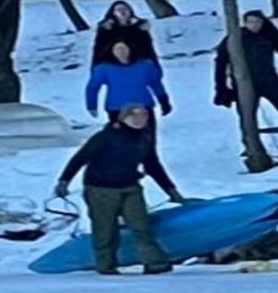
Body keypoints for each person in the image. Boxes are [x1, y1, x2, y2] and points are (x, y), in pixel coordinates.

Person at [54, 105, 186, 275]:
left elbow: (153, 166)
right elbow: (80, 158)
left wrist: (171, 190)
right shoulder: (105, 137)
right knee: (105, 230)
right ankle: (106, 265)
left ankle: (155, 262)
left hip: (130, 188)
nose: (140, 119)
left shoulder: (144, 138)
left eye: (144, 115)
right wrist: (64, 181)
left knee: (141, 226)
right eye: (135, 115)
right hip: (101, 189)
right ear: (123, 118)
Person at [214, 10, 278, 148]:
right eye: (250, 22)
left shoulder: (268, 35)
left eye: (258, 22)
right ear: (245, 23)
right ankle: (251, 146)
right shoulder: (235, 37)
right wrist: (221, 87)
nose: (254, 25)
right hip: (244, 83)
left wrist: (274, 31)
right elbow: (221, 61)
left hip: (269, 80)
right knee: (247, 117)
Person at [86, 40, 172, 137]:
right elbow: (93, 87)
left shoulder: (145, 65)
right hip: (117, 109)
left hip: (143, 106)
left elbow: (156, 84)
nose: (121, 52)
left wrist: (164, 101)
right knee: (122, 141)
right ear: (112, 51)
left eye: (123, 48)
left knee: (147, 140)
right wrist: (92, 105)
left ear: (130, 49)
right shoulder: (104, 68)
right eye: (117, 49)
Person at [91, 0, 160, 69]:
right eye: (118, 10)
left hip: (138, 65)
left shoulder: (140, 29)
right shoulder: (106, 30)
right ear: (113, 13)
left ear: (130, 11)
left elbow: (149, 49)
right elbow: (98, 51)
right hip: (112, 66)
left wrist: (155, 67)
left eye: (125, 9)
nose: (122, 11)